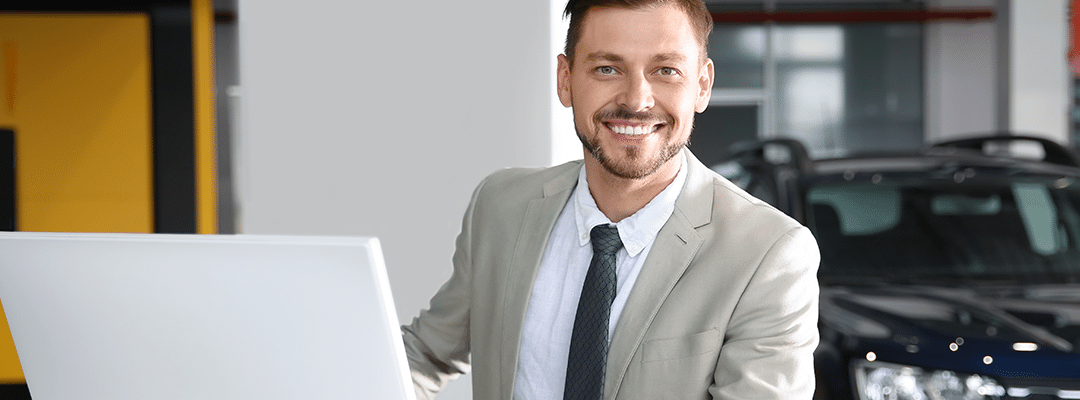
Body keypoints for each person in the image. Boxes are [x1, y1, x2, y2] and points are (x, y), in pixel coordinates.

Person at [401, 0, 820, 399]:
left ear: (702, 86)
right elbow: (425, 355)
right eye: (607, 68)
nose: (636, 100)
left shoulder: (768, 255)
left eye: (666, 70)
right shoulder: (500, 206)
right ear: (565, 80)